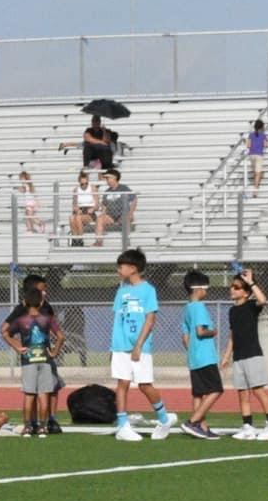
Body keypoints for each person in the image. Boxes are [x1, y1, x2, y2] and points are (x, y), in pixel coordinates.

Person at [110, 249, 174, 442]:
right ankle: (122, 426)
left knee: (145, 385)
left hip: (140, 347)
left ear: (133, 268)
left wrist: (138, 345)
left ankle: (164, 419)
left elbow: (150, 319)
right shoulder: (121, 290)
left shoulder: (148, 290)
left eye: (121, 266)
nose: (118, 270)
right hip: (120, 347)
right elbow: (117, 319)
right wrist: (113, 348)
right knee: (122, 384)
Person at [220, 266, 268, 441]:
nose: (232, 289)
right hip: (238, 357)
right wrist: (226, 356)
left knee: (258, 391)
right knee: (242, 393)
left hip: (253, 355)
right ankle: (248, 427)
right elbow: (232, 335)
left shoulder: (252, 305)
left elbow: (263, 299)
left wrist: (251, 282)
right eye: (232, 286)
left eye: (237, 287)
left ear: (245, 293)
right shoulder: (232, 311)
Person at [3, 282, 64, 437]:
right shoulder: (47, 319)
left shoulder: (21, 320)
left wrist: (17, 347)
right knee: (44, 394)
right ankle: (43, 427)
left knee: (29, 394)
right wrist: (54, 351)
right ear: (41, 302)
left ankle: (28, 427)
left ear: (25, 302)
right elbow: (61, 336)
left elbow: (5, 333)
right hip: (45, 360)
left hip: (28, 361)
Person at [178, 269, 222, 439]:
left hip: (194, 357)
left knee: (199, 393)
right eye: (205, 288)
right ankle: (193, 421)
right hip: (205, 357)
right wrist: (214, 331)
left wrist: (192, 352)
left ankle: (202, 427)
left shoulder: (187, 308)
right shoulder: (199, 307)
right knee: (216, 389)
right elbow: (200, 331)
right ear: (197, 289)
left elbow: (185, 337)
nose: (207, 291)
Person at [60, 111, 114, 176]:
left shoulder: (103, 131)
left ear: (99, 122)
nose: (95, 123)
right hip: (91, 151)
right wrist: (101, 142)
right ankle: (86, 165)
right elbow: (88, 138)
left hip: (100, 153)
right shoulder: (89, 130)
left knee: (85, 145)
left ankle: (65, 144)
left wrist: (104, 131)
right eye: (94, 121)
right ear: (92, 122)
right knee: (86, 145)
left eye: (97, 121)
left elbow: (106, 142)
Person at [94, 167, 137, 246]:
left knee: (125, 218)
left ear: (114, 178)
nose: (106, 180)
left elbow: (134, 199)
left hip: (123, 214)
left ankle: (126, 242)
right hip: (111, 216)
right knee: (100, 218)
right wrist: (103, 212)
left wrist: (130, 212)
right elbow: (104, 205)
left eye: (108, 178)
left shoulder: (124, 188)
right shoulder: (107, 191)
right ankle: (98, 242)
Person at [69, 169, 97, 243]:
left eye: (86, 183)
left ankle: (80, 240)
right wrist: (77, 209)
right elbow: (74, 204)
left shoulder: (93, 188)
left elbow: (97, 204)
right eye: (82, 184)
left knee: (78, 218)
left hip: (89, 211)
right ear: (79, 183)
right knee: (71, 218)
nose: (84, 185)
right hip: (80, 210)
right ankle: (75, 240)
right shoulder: (76, 189)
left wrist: (93, 209)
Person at [247, 119, 268, 193]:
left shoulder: (251, 135)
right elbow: (266, 145)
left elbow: (248, 145)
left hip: (251, 154)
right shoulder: (263, 135)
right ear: (262, 127)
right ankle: (255, 190)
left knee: (256, 171)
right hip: (259, 154)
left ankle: (256, 182)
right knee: (258, 172)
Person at [17, 168, 40, 234]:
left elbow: (22, 190)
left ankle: (39, 224)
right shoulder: (30, 185)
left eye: (21, 178)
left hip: (29, 203)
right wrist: (37, 202)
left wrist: (18, 188)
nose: (20, 180)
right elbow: (34, 195)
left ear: (25, 178)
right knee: (28, 217)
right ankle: (30, 229)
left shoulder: (25, 185)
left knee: (30, 217)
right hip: (31, 202)